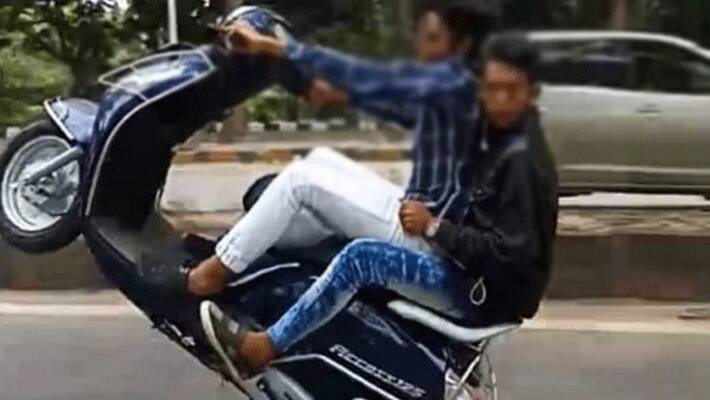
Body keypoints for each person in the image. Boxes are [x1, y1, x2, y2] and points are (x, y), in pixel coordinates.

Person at [199, 32, 560, 382]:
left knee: (351, 243)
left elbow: (510, 255)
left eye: (509, 90)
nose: (497, 100)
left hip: (473, 290)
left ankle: (259, 337)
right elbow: (374, 81)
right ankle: (239, 261)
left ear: (531, 93)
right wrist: (273, 48)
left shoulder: (522, 161)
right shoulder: (499, 128)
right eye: (490, 88)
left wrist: (435, 226)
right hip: (450, 245)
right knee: (319, 163)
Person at [150, 1, 497, 298]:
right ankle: (234, 249)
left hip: (427, 239)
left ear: (461, 45)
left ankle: (208, 277)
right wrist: (335, 94)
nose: (422, 47)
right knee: (321, 162)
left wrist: (271, 47)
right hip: (416, 212)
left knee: (303, 181)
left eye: (433, 39)